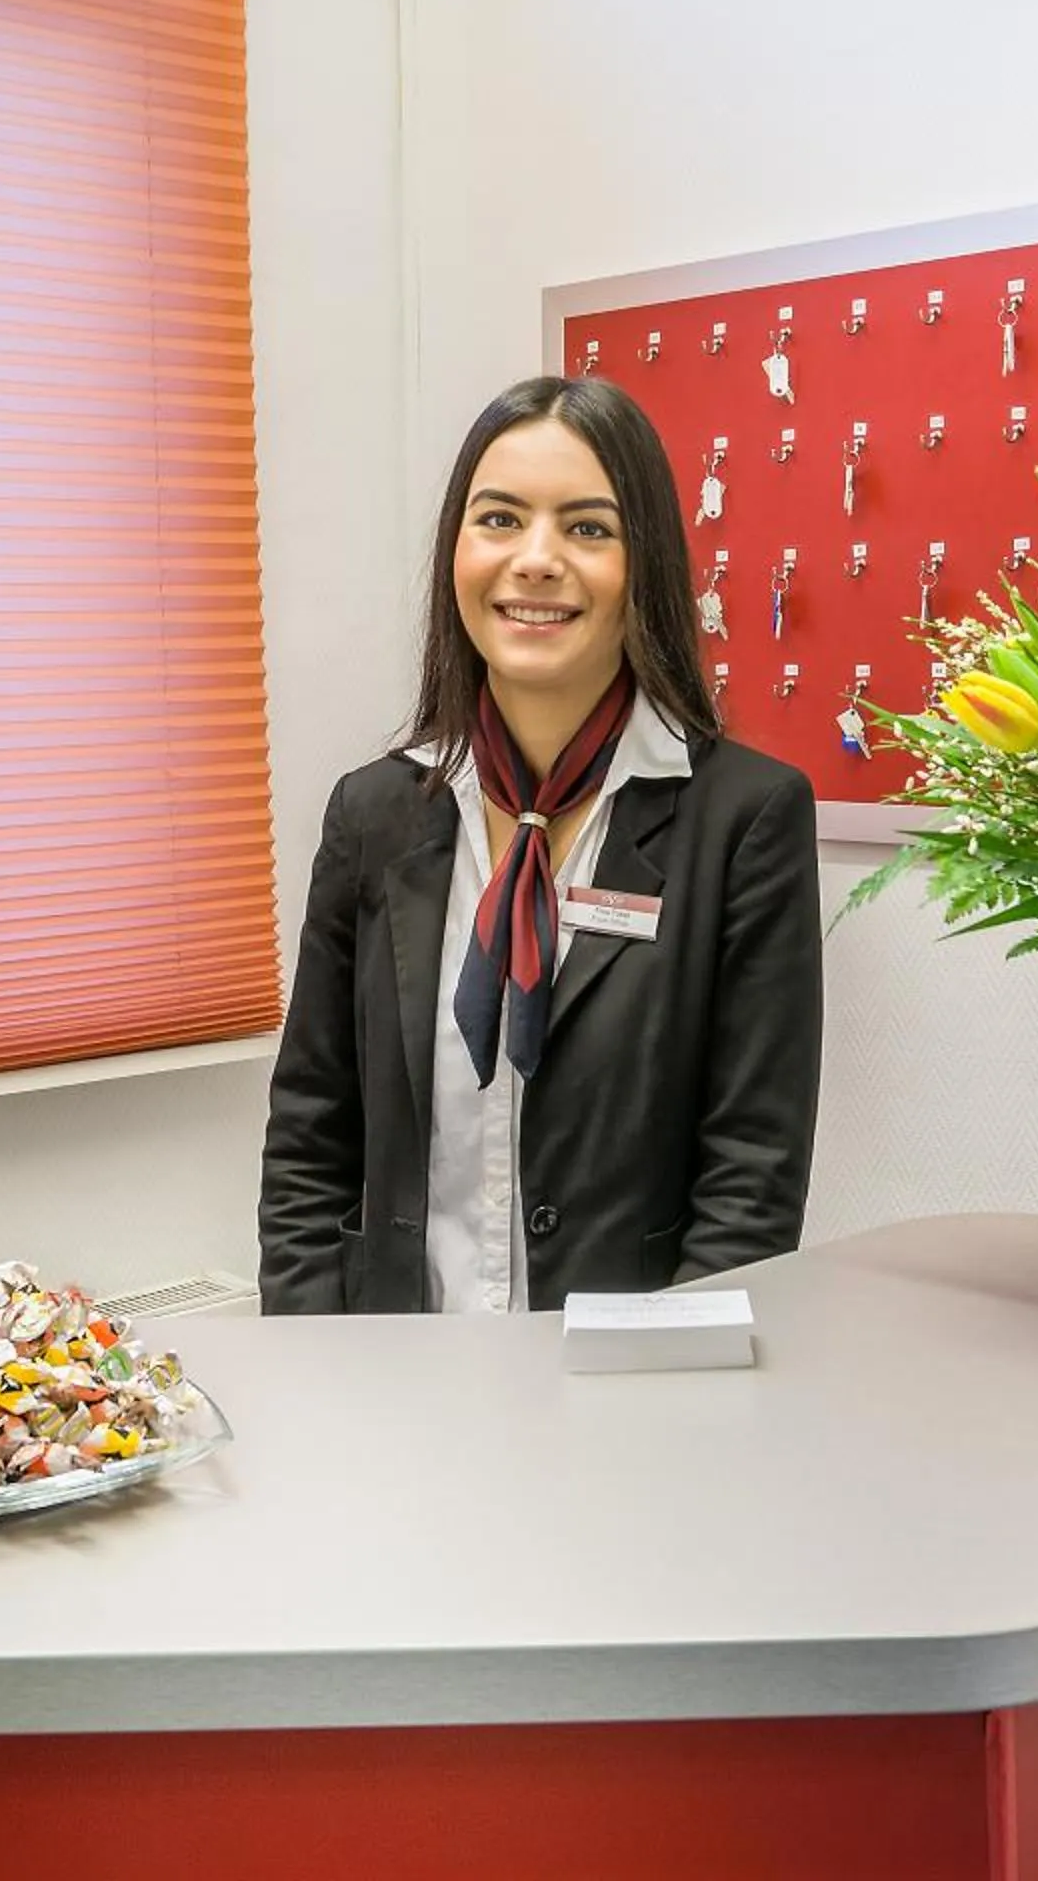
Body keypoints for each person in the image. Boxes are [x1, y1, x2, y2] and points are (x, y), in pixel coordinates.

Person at [257, 377, 822, 1313]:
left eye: (588, 528)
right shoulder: (375, 813)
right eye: (500, 520)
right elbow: (310, 1139)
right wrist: (316, 1365)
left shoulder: (743, 819)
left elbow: (750, 1180)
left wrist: (668, 1376)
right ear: (457, 550)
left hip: (624, 1377)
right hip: (396, 1368)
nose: (536, 560)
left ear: (646, 563)